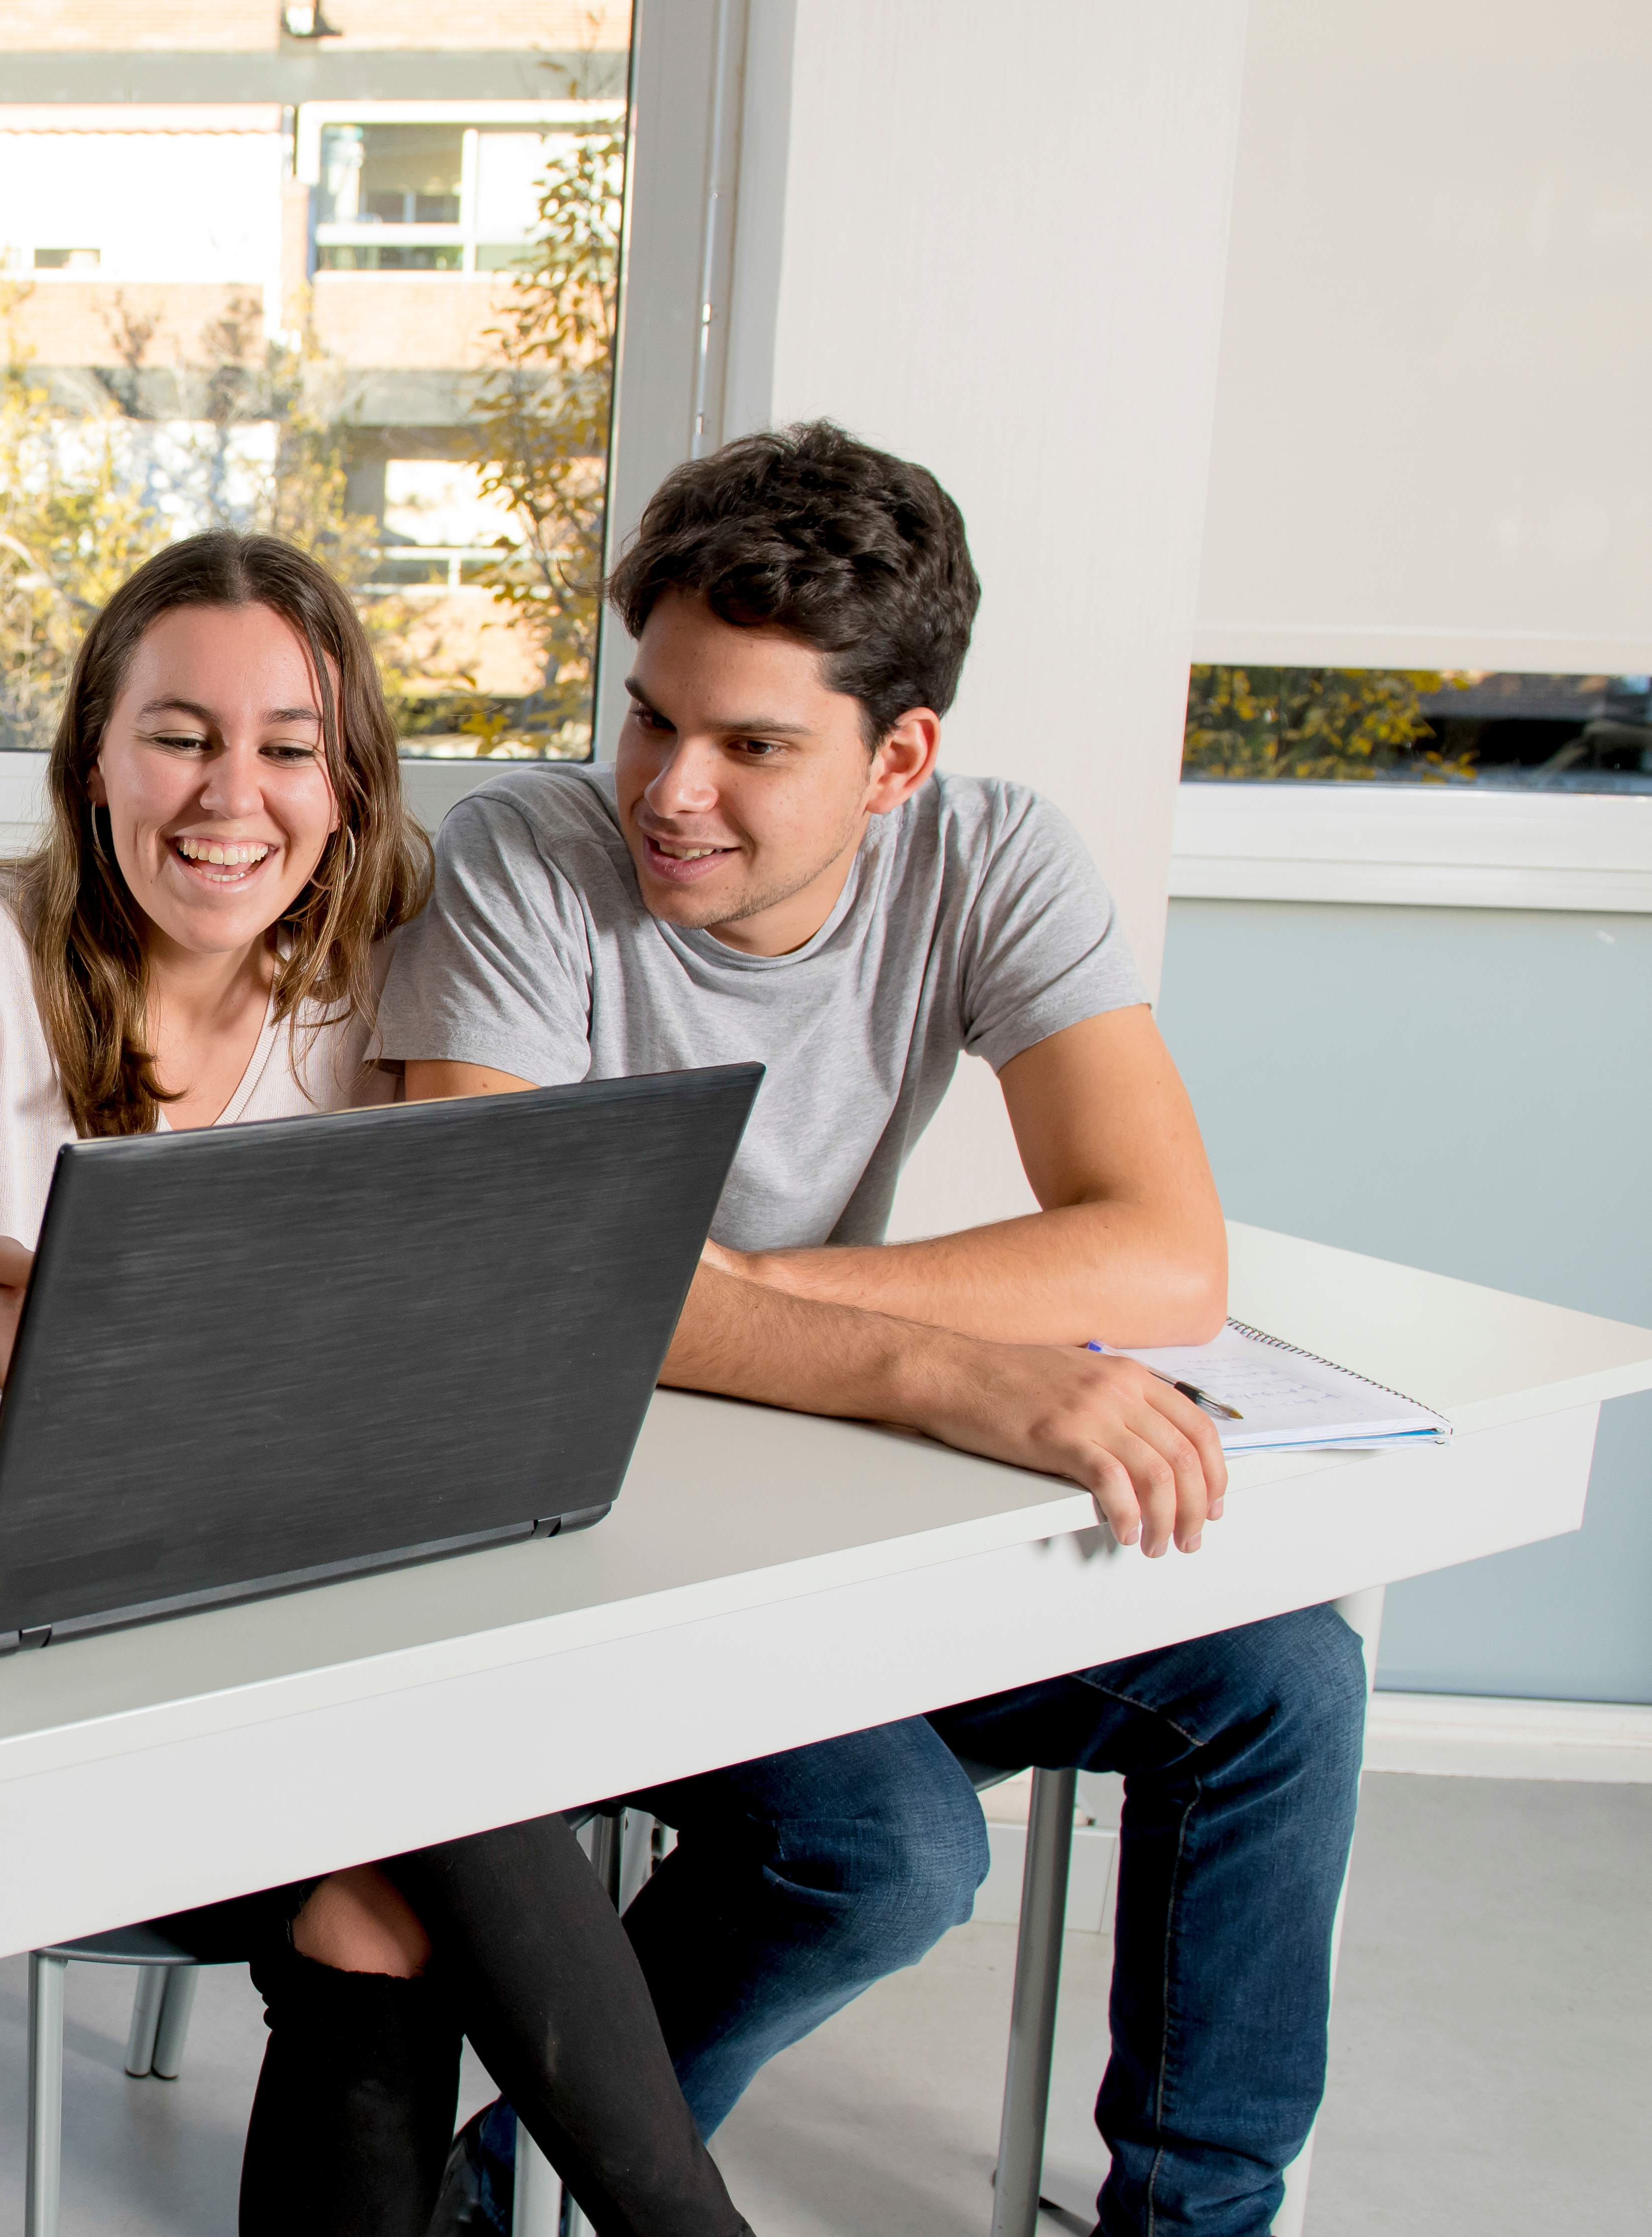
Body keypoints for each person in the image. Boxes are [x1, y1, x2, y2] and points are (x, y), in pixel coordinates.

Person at [382, 422, 1367, 2237]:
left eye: (753, 746)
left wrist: (723, 1296)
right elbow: (514, 1290)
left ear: (898, 759)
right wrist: (938, 1362)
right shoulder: (523, 862)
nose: (669, 789)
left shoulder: (990, 859)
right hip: (579, 1546)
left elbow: (1160, 1256)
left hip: (813, 1502)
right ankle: (495, 2198)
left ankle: (1193, 2220)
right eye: (651, 716)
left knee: (1281, 1684)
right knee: (889, 1853)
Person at [0, 531, 751, 2237]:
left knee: (379, 1900)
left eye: (288, 746)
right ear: (91, 756)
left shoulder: (372, 979)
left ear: (345, 779)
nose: (235, 796)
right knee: (432, 1813)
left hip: (288, 1602)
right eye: (179, 735)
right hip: (26, 1621)